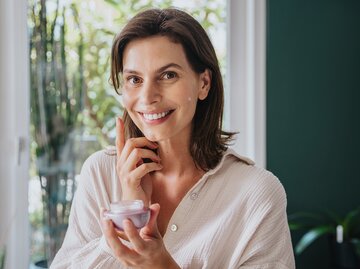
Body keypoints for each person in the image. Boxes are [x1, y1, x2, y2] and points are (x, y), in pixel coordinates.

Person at [50, 8, 295, 269]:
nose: (147, 97)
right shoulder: (99, 173)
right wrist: (127, 213)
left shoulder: (257, 193)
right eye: (134, 79)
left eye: (168, 75)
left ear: (204, 84)